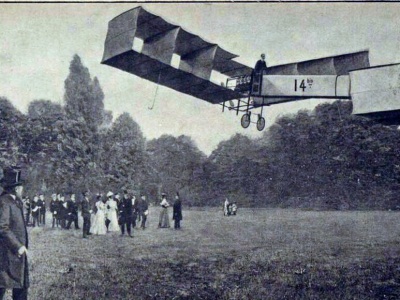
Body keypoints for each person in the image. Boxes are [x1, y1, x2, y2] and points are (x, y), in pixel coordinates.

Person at [0, 166, 29, 300]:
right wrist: (18, 246)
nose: (22, 190)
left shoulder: (14, 201)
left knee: (21, 285)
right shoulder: (5, 202)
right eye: (21, 187)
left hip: (16, 254)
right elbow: (3, 227)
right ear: (16, 188)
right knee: (3, 285)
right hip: (7, 253)